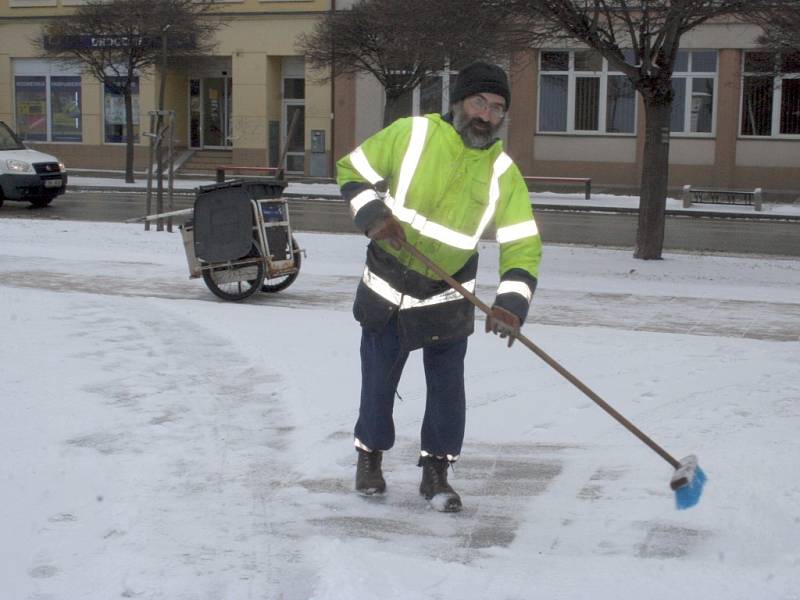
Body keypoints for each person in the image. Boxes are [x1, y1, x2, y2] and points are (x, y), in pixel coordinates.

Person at [336, 62, 542, 512]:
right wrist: (374, 216)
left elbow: (522, 243)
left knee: (447, 389)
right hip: (389, 285)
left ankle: (437, 474)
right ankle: (369, 457)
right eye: (478, 103)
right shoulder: (410, 135)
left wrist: (510, 302)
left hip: (449, 293)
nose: (486, 115)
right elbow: (351, 171)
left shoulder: (502, 173)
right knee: (377, 381)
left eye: (497, 108)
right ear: (458, 102)